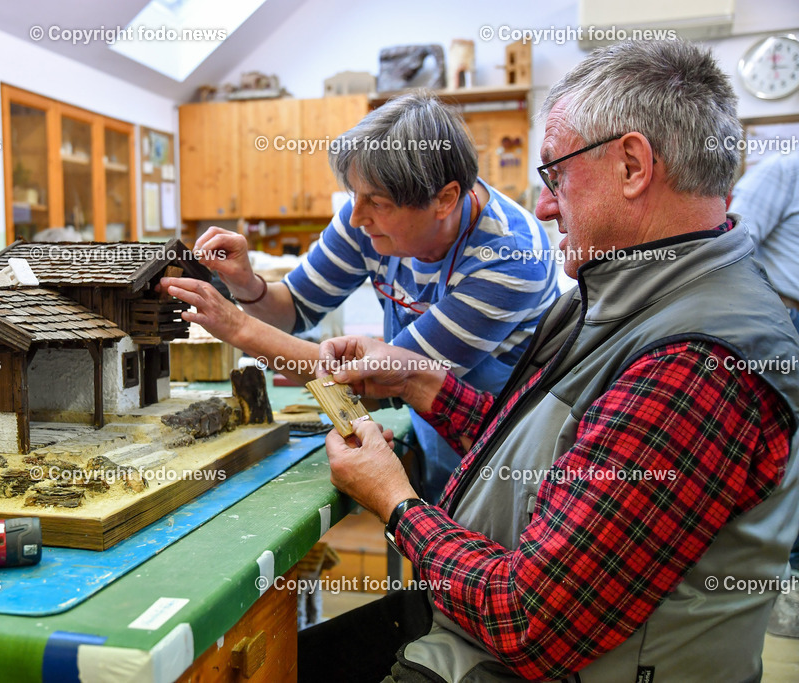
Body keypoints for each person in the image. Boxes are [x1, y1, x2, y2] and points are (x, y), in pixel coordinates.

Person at [302, 40, 799, 682]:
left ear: (631, 166)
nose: (542, 205)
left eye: (555, 174)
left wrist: (395, 500)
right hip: (479, 634)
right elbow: (551, 460)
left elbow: (529, 620)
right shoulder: (618, 293)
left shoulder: (695, 363)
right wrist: (425, 386)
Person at [163, 93, 558, 500]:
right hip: (434, 431)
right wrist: (248, 284)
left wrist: (236, 325)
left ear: (444, 199)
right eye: (355, 194)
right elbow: (294, 310)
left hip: (507, 455)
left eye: (378, 203)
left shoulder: (510, 259)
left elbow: (377, 382)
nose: (355, 217)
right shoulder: (365, 219)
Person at [730, 152, 799, 577]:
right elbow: (734, 247)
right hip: (786, 319)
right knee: (784, 456)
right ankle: (784, 574)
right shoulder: (783, 171)